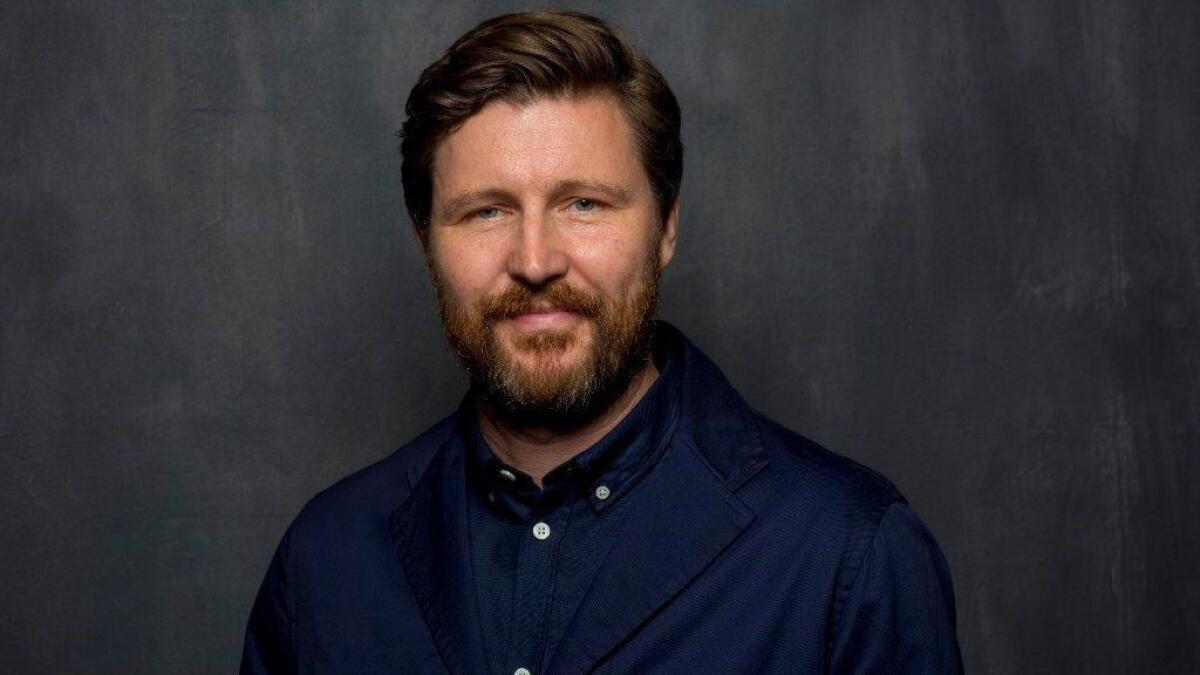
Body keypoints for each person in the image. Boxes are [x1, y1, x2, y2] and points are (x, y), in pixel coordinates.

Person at [241, 10, 962, 674]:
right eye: (486, 211)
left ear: (667, 226)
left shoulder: (847, 554)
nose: (534, 260)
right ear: (427, 245)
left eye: (583, 203)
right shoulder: (326, 561)